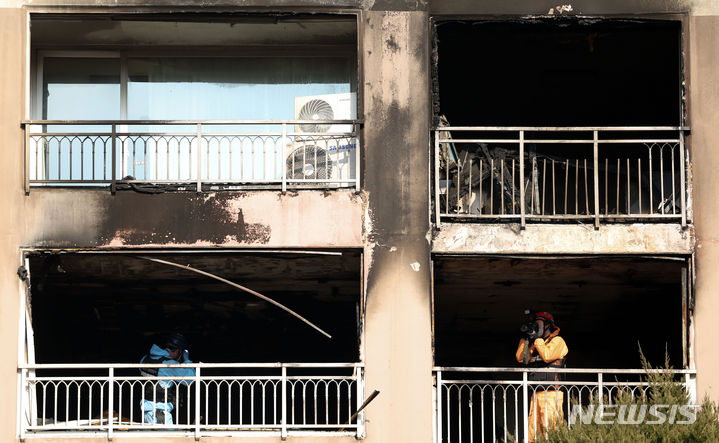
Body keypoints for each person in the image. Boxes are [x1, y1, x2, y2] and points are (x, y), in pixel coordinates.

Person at [515, 312, 568, 442]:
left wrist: (537, 339)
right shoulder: (536, 343)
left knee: (551, 428)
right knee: (533, 430)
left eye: (538, 324)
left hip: (551, 393)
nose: (536, 327)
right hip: (536, 392)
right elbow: (521, 358)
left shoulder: (558, 341)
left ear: (548, 325)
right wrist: (527, 340)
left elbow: (547, 355)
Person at [139, 332, 195, 425]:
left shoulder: (144, 359)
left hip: (147, 412)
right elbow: (191, 379)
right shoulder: (168, 364)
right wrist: (187, 360)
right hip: (160, 414)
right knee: (168, 438)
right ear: (178, 351)